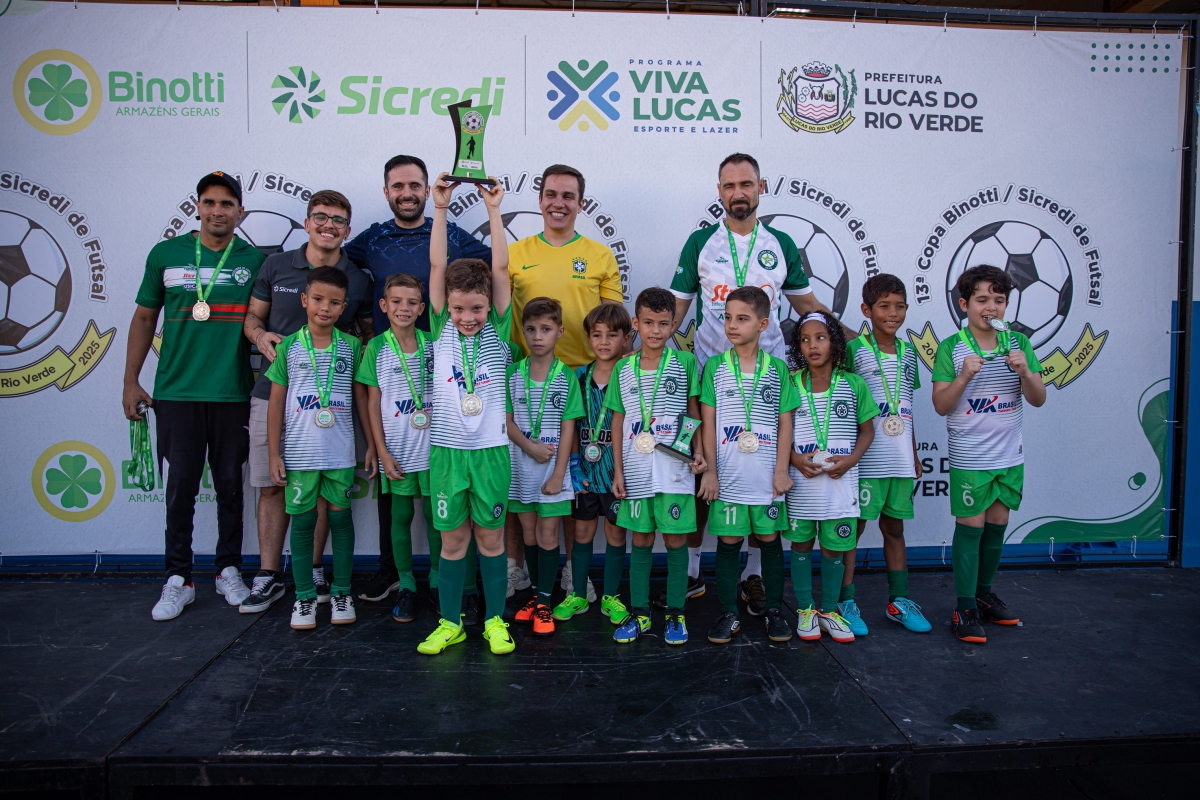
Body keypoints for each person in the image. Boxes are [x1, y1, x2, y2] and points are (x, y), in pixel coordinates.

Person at [669, 153, 840, 614]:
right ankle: (691, 571)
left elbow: (807, 305)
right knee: (702, 470)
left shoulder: (780, 243)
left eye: (746, 184)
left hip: (769, 379)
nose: (738, 193)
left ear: (761, 187)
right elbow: (677, 309)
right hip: (711, 378)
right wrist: (638, 350)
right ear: (719, 191)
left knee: (765, 472)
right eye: (729, 186)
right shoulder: (700, 242)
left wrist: (852, 339)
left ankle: (755, 576)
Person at [345, 154, 491, 606]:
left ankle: (448, 583)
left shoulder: (452, 235)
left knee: (439, 511)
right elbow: (338, 268)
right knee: (395, 509)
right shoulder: (371, 239)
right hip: (394, 412)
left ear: (427, 190)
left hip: (441, 406)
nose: (406, 193)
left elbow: (490, 269)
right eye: (398, 186)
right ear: (386, 192)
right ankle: (397, 577)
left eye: (414, 186)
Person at [124, 172, 263, 621]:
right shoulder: (165, 254)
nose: (218, 211)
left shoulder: (254, 261)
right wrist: (130, 381)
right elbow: (144, 319)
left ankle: (228, 570)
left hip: (232, 392)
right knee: (181, 485)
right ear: (198, 207)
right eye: (210, 202)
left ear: (240, 211)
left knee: (230, 485)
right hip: (176, 392)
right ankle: (178, 579)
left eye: (227, 203)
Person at [240, 190, 375, 614]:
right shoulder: (276, 265)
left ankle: (313, 571)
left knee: (320, 494)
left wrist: (360, 346)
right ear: (306, 222)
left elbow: (368, 334)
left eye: (338, 220)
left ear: (347, 230)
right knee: (270, 484)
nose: (328, 225)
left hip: (330, 404)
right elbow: (252, 317)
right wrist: (260, 337)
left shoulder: (358, 278)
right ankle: (268, 574)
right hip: (273, 394)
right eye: (320, 217)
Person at [506, 164, 624, 601]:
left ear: (580, 203)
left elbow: (614, 325)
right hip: (527, 377)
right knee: (518, 474)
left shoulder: (600, 255)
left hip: (583, 379)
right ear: (540, 200)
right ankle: (516, 568)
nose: (559, 203)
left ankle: (576, 571)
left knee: (577, 477)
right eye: (551, 194)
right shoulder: (515, 253)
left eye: (568, 196)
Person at [417, 172, 515, 656]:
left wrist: (494, 210)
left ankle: (496, 620)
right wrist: (439, 207)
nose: (468, 317)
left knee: (491, 541)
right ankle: (450, 622)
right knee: (453, 543)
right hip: (447, 454)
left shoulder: (499, 327)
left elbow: (501, 268)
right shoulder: (440, 328)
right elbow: (437, 265)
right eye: (459, 309)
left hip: (491, 452)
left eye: (476, 308)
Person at [932, 264, 1045, 644]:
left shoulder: (1019, 343)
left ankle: (984, 594)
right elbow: (941, 405)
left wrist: (1025, 372)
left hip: (1009, 456)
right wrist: (964, 375)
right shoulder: (952, 347)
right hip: (971, 458)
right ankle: (964, 605)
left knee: (998, 525)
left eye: (999, 300)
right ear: (965, 304)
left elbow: (1038, 399)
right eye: (982, 300)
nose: (991, 308)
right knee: (971, 527)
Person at [265, 267, 367, 628]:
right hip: (300, 454)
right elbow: (276, 402)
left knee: (340, 519)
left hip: (339, 453)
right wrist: (274, 453)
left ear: (344, 307)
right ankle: (305, 597)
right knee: (304, 523)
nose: (325, 308)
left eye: (334, 302)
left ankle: (342, 592)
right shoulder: (289, 347)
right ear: (305, 300)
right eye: (319, 299)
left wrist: (371, 444)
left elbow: (360, 397)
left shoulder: (351, 346)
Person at [697, 287, 799, 644]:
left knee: (769, 540)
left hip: (766, 477)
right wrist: (710, 471)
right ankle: (728, 612)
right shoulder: (715, 367)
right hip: (728, 476)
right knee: (728, 542)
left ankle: (774, 611)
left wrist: (782, 470)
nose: (732, 325)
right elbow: (708, 422)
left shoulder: (777, 369)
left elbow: (785, 423)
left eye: (742, 318)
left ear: (763, 324)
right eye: (727, 317)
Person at [606, 288, 706, 646]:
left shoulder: (686, 362)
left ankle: (676, 613)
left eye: (664, 324)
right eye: (648, 323)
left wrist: (696, 451)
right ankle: (640, 613)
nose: (656, 331)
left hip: (675, 470)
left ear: (674, 324)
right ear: (636, 323)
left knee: (676, 539)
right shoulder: (623, 367)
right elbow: (618, 422)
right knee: (641, 539)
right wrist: (618, 472)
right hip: (636, 470)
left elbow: (693, 411)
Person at [843, 275, 931, 635]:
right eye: (884, 306)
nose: (893, 313)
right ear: (867, 310)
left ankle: (899, 601)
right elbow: (843, 404)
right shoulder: (854, 350)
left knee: (895, 528)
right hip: (866, 459)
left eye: (899, 306)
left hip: (899, 458)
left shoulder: (910, 352)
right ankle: (844, 601)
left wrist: (913, 452)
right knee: (854, 529)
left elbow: (905, 407)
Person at [785, 311, 877, 643]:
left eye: (820, 338)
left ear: (835, 342)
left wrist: (852, 459)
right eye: (805, 339)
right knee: (800, 544)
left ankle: (829, 610)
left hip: (840, 484)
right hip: (802, 483)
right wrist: (793, 458)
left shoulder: (853, 384)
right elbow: (781, 430)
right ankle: (805, 610)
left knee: (833, 548)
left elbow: (867, 430)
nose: (812, 345)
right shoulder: (791, 382)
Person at [356, 273, 438, 625]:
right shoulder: (376, 347)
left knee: (436, 519)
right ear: (383, 305)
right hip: (398, 450)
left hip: (435, 450)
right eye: (396, 302)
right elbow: (372, 402)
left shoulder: (434, 343)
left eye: (411, 302)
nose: (404, 308)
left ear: (421, 308)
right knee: (400, 517)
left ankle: (437, 581)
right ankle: (406, 585)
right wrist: (380, 450)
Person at [507, 298, 585, 635]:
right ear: (523, 332)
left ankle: (544, 602)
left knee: (548, 532)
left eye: (546, 329)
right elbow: (505, 421)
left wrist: (557, 473)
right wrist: (530, 447)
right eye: (531, 329)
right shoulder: (513, 374)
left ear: (560, 332)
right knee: (529, 532)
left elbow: (569, 430)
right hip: (521, 468)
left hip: (554, 473)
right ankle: (537, 596)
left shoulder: (566, 377)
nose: (538, 336)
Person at [569, 303, 634, 627]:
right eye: (597, 335)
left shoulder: (631, 375)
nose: (604, 342)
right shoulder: (578, 377)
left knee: (616, 533)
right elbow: (570, 426)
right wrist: (573, 465)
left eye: (612, 335)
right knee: (581, 532)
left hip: (616, 474)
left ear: (626, 338)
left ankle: (611, 596)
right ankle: (578, 594)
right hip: (585, 474)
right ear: (588, 338)